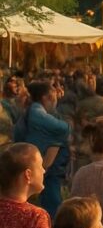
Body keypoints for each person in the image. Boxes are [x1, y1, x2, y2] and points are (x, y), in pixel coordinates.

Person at [23, 80, 70, 219]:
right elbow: (62, 127)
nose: (56, 99)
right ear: (45, 98)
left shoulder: (36, 109)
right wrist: (67, 127)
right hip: (45, 165)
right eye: (53, 96)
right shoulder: (37, 112)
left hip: (45, 163)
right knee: (51, 201)